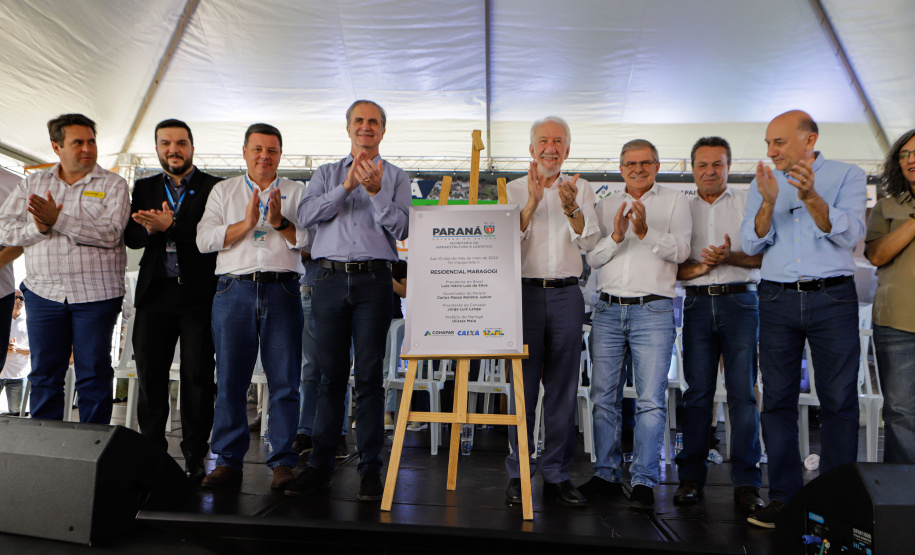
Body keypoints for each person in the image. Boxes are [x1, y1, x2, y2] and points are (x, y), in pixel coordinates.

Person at [740, 110, 866, 528]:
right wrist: (770, 201)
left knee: (839, 401)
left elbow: (849, 236)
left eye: (778, 142)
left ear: (808, 140)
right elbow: (752, 240)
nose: (771, 151)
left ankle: (834, 501)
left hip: (832, 297)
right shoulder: (763, 181)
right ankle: (783, 497)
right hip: (775, 297)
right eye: (768, 143)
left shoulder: (847, 175)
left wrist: (811, 196)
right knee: (775, 401)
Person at [288, 100, 410, 501]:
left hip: (376, 281)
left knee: (371, 377)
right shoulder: (325, 173)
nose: (366, 126)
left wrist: (376, 194)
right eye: (359, 120)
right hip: (328, 279)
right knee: (329, 376)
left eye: (373, 121)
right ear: (348, 128)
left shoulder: (396, 176)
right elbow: (306, 216)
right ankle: (320, 464)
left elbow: (405, 226)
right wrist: (347, 187)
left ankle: (370, 468)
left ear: (383, 130)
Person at [578, 139, 691, 512]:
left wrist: (644, 233)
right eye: (630, 163)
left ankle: (643, 479)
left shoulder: (675, 201)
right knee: (602, 397)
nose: (638, 169)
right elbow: (592, 258)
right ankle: (606, 474)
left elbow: (682, 251)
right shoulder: (606, 203)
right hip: (608, 310)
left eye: (645, 163)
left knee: (650, 402)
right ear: (621, 167)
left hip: (653, 311)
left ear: (657, 166)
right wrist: (617, 236)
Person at [196, 123, 308, 491]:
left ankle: (282, 462)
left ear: (280, 154)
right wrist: (246, 223)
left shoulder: (298, 191)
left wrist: (280, 223)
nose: (264, 156)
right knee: (230, 380)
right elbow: (204, 240)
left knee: (285, 381)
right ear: (244, 151)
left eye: (272, 150)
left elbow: (311, 242)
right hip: (234, 290)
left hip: (283, 290)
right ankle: (228, 462)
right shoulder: (223, 190)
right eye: (257, 149)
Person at [0, 113, 129, 423]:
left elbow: (110, 233)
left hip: (97, 296)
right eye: (77, 142)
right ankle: (46, 451)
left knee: (94, 374)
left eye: (91, 141)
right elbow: (5, 229)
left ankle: (91, 453)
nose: (87, 148)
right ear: (57, 147)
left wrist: (58, 220)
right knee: (44, 374)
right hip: (44, 295)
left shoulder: (114, 184)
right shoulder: (32, 183)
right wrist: (40, 227)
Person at [503, 116, 599, 507]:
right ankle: (518, 472)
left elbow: (590, 239)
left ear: (568, 149)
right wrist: (531, 204)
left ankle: (557, 474)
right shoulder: (509, 189)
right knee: (521, 391)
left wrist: (572, 207)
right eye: (543, 140)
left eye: (558, 141)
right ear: (531, 149)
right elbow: (503, 246)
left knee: (562, 390)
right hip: (522, 295)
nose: (550, 147)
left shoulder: (583, 187)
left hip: (566, 296)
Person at [124, 119, 222, 482]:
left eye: (180, 143)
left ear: (192, 147)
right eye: (165, 143)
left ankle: (196, 455)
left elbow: (211, 240)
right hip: (155, 293)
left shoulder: (215, 187)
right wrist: (149, 228)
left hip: (198, 294)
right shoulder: (145, 186)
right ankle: (151, 453)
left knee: (198, 377)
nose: (173, 150)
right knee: (151, 375)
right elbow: (131, 237)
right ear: (157, 149)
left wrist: (172, 228)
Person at [672, 137, 764, 512]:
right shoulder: (680, 208)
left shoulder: (748, 203)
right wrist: (700, 267)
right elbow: (667, 262)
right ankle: (691, 478)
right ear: (691, 168)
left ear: (729, 166)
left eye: (717, 164)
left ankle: (747, 482)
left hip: (741, 301)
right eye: (702, 165)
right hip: (695, 304)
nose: (710, 171)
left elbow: (761, 258)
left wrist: (730, 257)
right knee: (696, 395)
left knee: (742, 393)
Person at [864, 128, 915, 464]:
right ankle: (905, 499)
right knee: (900, 413)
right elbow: (877, 255)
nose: (911, 160)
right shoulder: (887, 207)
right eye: (904, 154)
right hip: (897, 323)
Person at [1, 292, 29, 415]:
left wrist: (17, 349)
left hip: (18, 375)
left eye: (21, 298)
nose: (18, 300)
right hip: (0, 372)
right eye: (15, 297)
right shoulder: (2, 320)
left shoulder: (30, 323)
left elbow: (35, 349)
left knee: (16, 415)